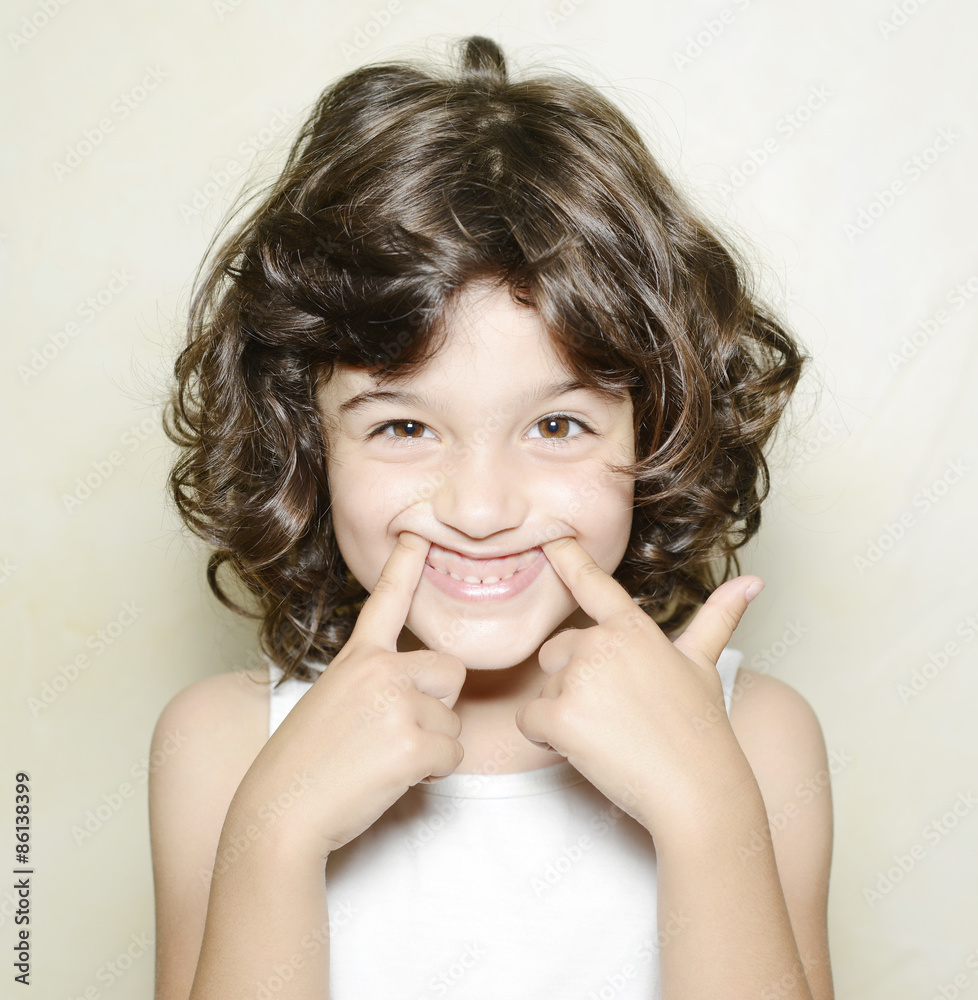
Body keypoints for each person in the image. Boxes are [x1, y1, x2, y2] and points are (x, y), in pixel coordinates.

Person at [149, 34, 834, 1000]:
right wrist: (275, 833)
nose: (479, 509)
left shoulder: (759, 738)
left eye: (556, 425)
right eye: (402, 427)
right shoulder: (219, 747)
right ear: (306, 443)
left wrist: (709, 813)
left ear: (661, 429)